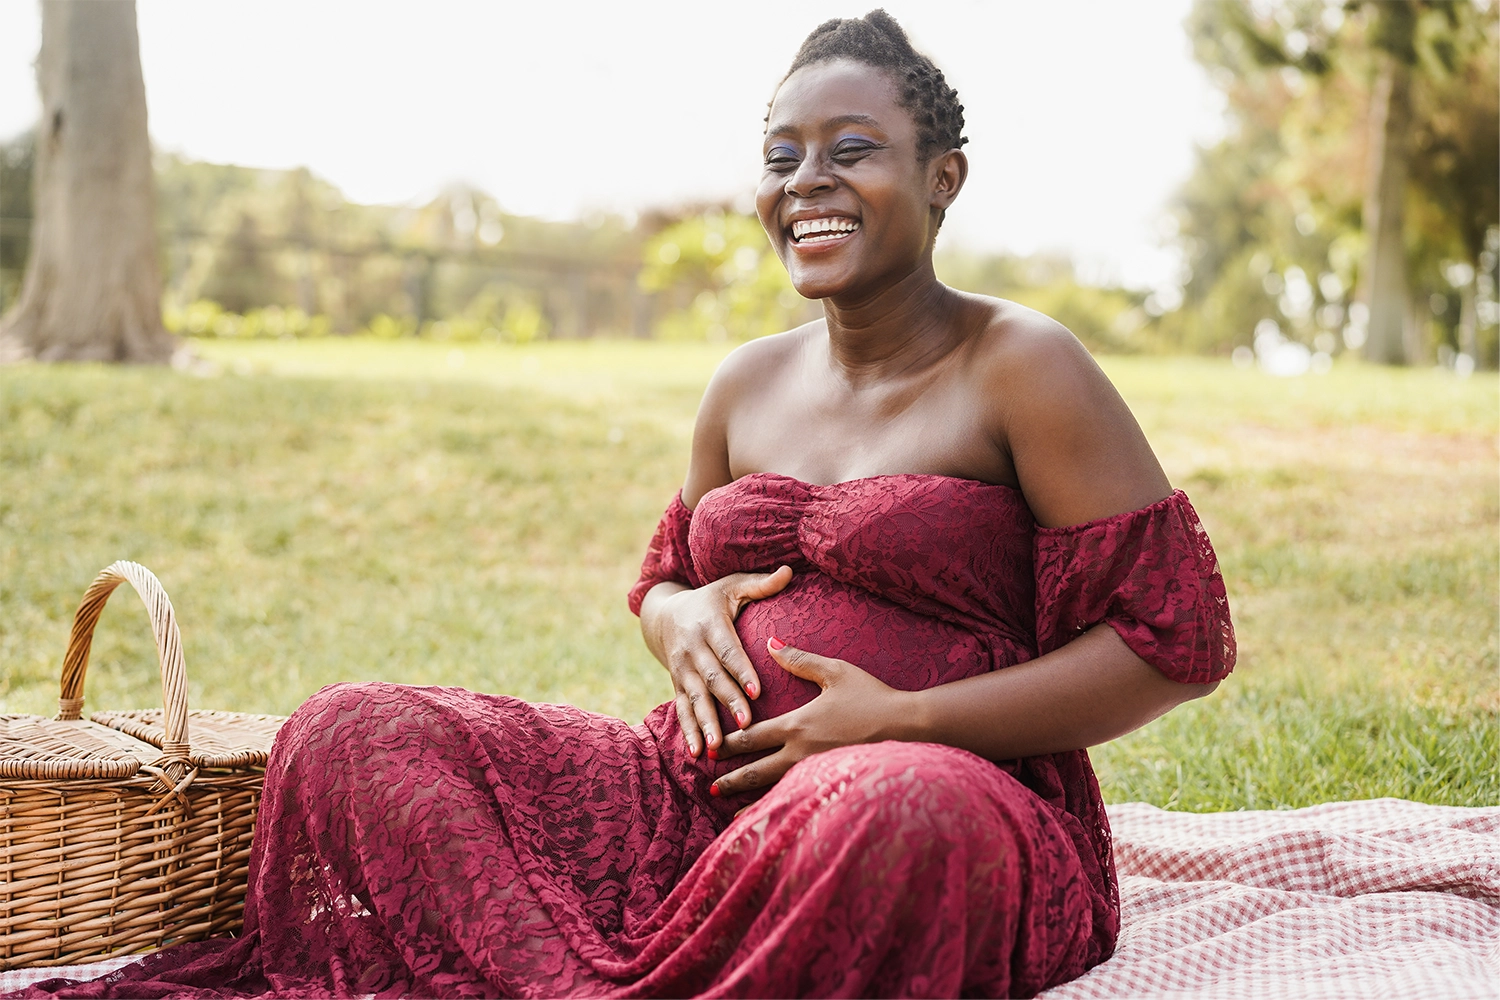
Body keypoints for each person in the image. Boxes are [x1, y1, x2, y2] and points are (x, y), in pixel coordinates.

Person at [17, 10, 1233, 1000]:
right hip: (685, 802)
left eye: (852, 148)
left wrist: (906, 723)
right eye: (782, 154)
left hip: (948, 797)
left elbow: (1168, 648)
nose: (809, 180)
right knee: (350, 729)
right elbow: (664, 574)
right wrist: (674, 614)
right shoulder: (744, 381)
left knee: (894, 813)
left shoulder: (1023, 366)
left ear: (942, 174)